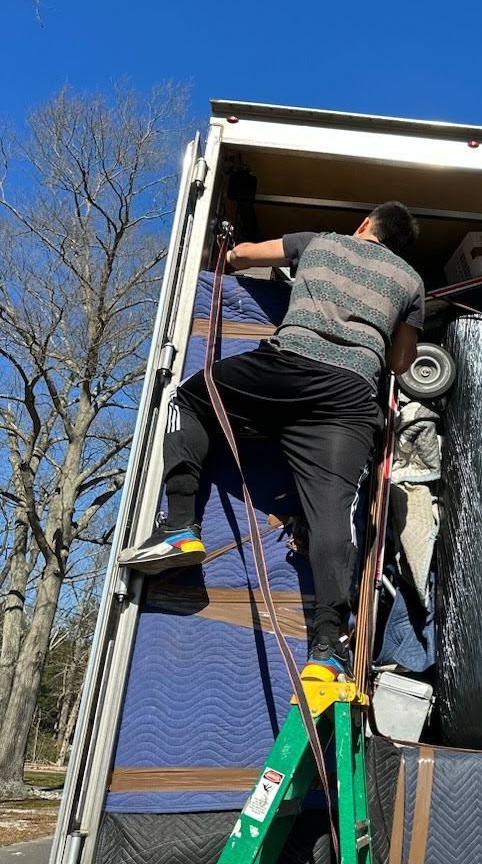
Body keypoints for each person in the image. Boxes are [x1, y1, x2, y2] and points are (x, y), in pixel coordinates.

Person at [119, 201, 424, 675]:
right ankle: (327, 645)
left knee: (193, 399)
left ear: (366, 224)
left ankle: (180, 526)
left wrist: (231, 251)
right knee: (333, 514)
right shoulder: (411, 281)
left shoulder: (320, 241)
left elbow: (241, 256)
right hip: (347, 399)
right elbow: (402, 361)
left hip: (287, 368)